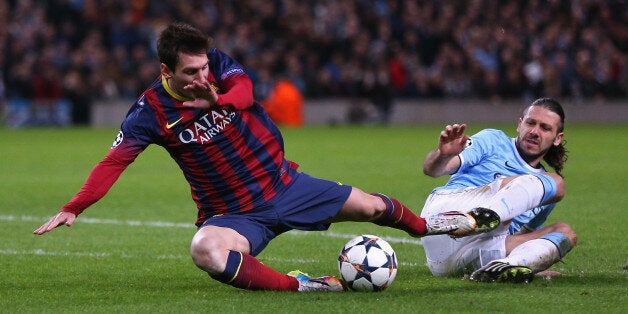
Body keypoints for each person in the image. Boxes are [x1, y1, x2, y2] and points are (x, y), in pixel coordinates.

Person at [33, 22, 498, 292]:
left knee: (374, 208)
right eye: (190, 72)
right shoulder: (148, 113)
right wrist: (75, 206)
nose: (201, 75)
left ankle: (435, 225)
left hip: (285, 185)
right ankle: (305, 286)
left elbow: (247, 90)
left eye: (203, 67)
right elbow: (113, 163)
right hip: (233, 214)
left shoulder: (218, 66)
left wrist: (218, 102)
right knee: (207, 251)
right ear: (165, 71)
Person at [420, 97, 577, 283]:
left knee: (566, 233)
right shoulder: (493, 140)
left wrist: (533, 262)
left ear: (557, 138)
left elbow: (519, 238)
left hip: (457, 259)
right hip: (445, 216)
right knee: (553, 183)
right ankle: (475, 218)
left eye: (545, 128)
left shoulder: (543, 191)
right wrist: (442, 156)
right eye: (530, 123)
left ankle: (510, 264)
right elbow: (434, 170)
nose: (535, 131)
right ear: (520, 124)